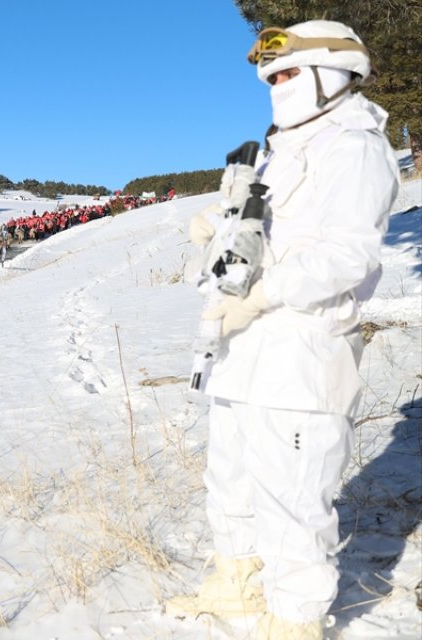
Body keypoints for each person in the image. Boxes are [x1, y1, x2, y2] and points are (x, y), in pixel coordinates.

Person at [169, 21, 399, 640]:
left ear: (333, 72)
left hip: (302, 346)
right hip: (241, 347)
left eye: (289, 73)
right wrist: (218, 222)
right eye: (270, 77)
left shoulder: (353, 147)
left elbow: (349, 256)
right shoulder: (282, 148)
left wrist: (266, 295)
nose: (276, 85)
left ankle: (294, 618)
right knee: (233, 478)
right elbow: (263, 231)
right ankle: (239, 585)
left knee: (293, 497)